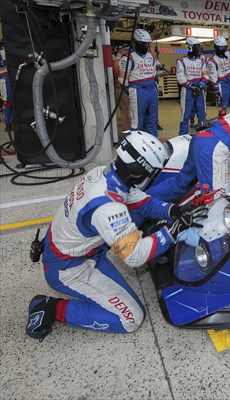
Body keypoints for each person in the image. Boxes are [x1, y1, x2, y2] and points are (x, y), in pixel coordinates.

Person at [26, 131, 208, 341]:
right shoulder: (108, 207)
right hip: (68, 268)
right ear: (141, 173)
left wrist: (173, 211)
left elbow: (143, 202)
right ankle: (51, 308)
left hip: (76, 251)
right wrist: (172, 231)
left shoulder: (103, 175)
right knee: (131, 318)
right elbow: (134, 256)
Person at [119, 29, 167, 137]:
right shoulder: (128, 58)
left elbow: (157, 72)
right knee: (137, 121)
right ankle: (137, 145)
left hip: (152, 90)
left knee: (152, 120)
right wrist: (130, 91)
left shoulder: (152, 56)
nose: (147, 46)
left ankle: (153, 143)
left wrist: (163, 72)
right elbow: (122, 78)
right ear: (137, 42)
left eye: (148, 43)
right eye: (144, 43)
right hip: (137, 90)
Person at [176, 37, 208, 136]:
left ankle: (202, 136)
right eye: (196, 47)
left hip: (200, 89)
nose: (199, 49)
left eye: (199, 47)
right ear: (190, 48)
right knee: (185, 115)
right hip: (187, 91)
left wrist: (201, 84)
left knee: (202, 114)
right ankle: (182, 136)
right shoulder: (181, 61)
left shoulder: (201, 61)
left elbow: (206, 75)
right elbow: (180, 76)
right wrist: (190, 86)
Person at [207, 36, 230, 115]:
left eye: (224, 47)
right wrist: (217, 91)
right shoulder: (212, 60)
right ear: (216, 47)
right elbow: (213, 78)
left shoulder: (229, 54)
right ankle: (222, 124)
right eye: (221, 47)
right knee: (223, 109)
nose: (223, 49)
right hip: (222, 85)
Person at [113, 44, 131, 134]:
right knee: (127, 110)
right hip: (123, 88)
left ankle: (126, 129)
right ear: (119, 51)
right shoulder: (119, 62)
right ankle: (129, 130)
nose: (127, 51)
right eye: (125, 50)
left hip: (119, 88)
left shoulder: (116, 61)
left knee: (124, 110)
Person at [0, 39, 13, 133]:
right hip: (4, 76)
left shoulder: (5, 48)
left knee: (8, 101)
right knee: (6, 102)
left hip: (8, 76)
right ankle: (8, 123)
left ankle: (9, 123)